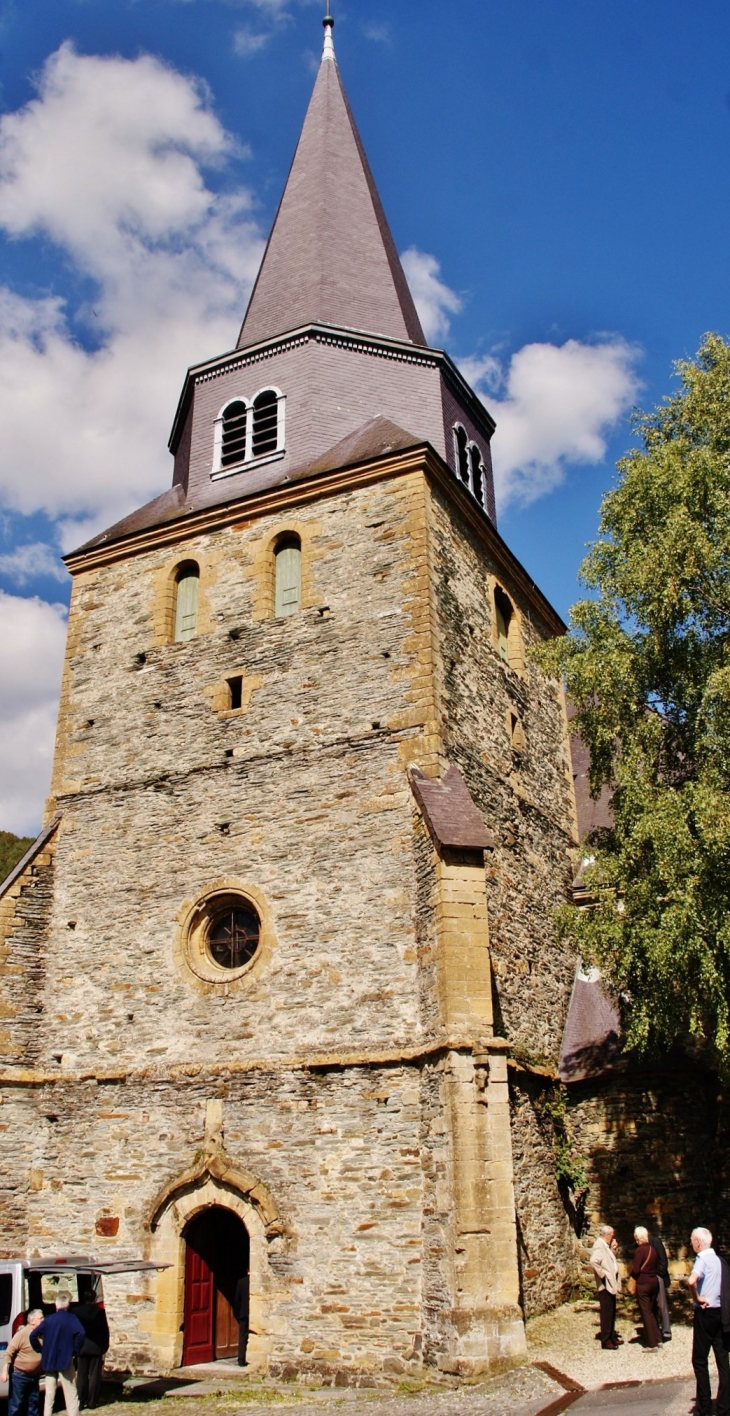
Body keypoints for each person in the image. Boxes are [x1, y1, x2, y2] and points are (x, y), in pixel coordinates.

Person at [688, 1226, 730, 1416]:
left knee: (699, 1360)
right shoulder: (720, 1261)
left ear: (698, 1242)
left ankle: (704, 1406)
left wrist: (696, 1298)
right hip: (722, 1314)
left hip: (706, 1314)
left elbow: (691, 1281)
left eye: (692, 1240)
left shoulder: (702, 1259)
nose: (691, 1243)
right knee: (723, 1360)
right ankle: (724, 1406)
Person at [30, 1291, 86, 1416]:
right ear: (67, 1306)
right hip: (65, 1360)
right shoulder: (71, 1319)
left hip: (49, 1359)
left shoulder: (49, 1320)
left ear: (56, 1305)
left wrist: (40, 1349)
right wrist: (75, 1350)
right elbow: (81, 1333)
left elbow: (33, 1335)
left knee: (49, 1395)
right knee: (70, 1393)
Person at [1, 1310, 43, 1416]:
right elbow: (9, 1353)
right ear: (32, 1321)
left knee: (33, 1404)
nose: (44, 1320)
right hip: (20, 1376)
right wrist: (4, 1371)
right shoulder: (22, 1334)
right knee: (16, 1405)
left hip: (34, 1375)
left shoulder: (41, 1334)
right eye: (41, 1318)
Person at [74, 1290, 109, 1410]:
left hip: (82, 1346)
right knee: (94, 1375)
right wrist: (105, 1346)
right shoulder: (100, 1312)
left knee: (81, 1375)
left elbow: (74, 1331)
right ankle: (92, 1401)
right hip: (96, 1346)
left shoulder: (76, 1311)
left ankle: (80, 1400)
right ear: (94, 1299)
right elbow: (105, 1330)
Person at [590, 1224, 622, 1349]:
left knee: (611, 1310)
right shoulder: (599, 1245)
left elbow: (609, 1260)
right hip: (605, 1284)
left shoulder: (605, 1246)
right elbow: (594, 1261)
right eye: (612, 1235)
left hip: (610, 1282)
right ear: (607, 1235)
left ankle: (611, 1336)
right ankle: (606, 1340)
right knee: (607, 1312)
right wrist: (602, 1275)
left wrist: (613, 1249)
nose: (613, 1237)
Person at [630, 1225, 662, 1352]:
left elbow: (636, 1269)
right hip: (654, 1282)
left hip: (643, 1284)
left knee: (646, 1313)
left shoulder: (639, 1251)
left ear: (637, 1237)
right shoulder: (652, 1250)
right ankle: (658, 1338)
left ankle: (651, 1343)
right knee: (653, 1311)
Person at [649, 1231, 672, 1341]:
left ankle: (666, 1331)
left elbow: (663, 1260)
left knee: (662, 1305)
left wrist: (659, 1275)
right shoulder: (639, 1245)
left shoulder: (655, 1242)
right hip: (647, 1279)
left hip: (658, 1276)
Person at [233, 1274, 249, 1367]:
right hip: (254, 1312)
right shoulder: (253, 1281)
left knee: (243, 1337)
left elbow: (237, 1300)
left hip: (243, 1313)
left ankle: (241, 1359)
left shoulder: (241, 1282)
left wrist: (238, 1313)